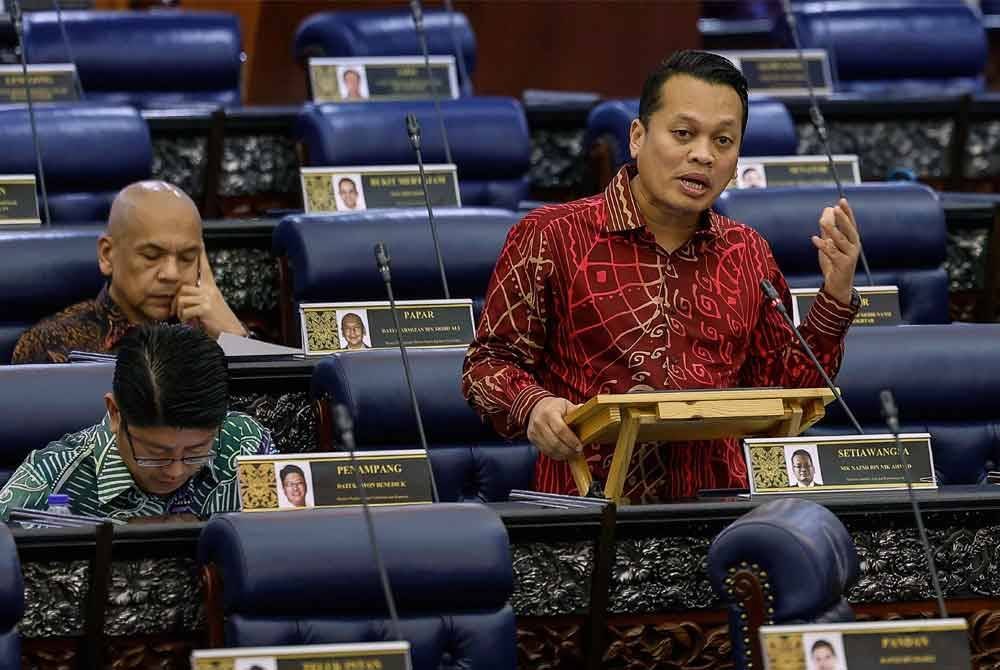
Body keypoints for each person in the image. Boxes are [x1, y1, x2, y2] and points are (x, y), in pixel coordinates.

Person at [462, 50, 861, 503]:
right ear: (637, 136)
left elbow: (788, 395)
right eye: (684, 134)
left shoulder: (747, 252)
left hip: (724, 511)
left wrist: (835, 294)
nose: (703, 155)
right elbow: (486, 365)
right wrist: (533, 405)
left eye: (724, 141)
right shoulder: (551, 236)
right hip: (588, 507)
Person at [0, 324, 274, 521]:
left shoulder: (246, 445)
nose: (175, 472)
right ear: (115, 414)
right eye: (156, 454)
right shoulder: (49, 479)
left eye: (196, 452)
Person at [11, 180, 247, 364]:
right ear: (107, 254)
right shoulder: (51, 344)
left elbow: (272, 423)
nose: (172, 274)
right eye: (152, 256)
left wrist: (237, 341)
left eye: (187, 258)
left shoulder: (212, 332)